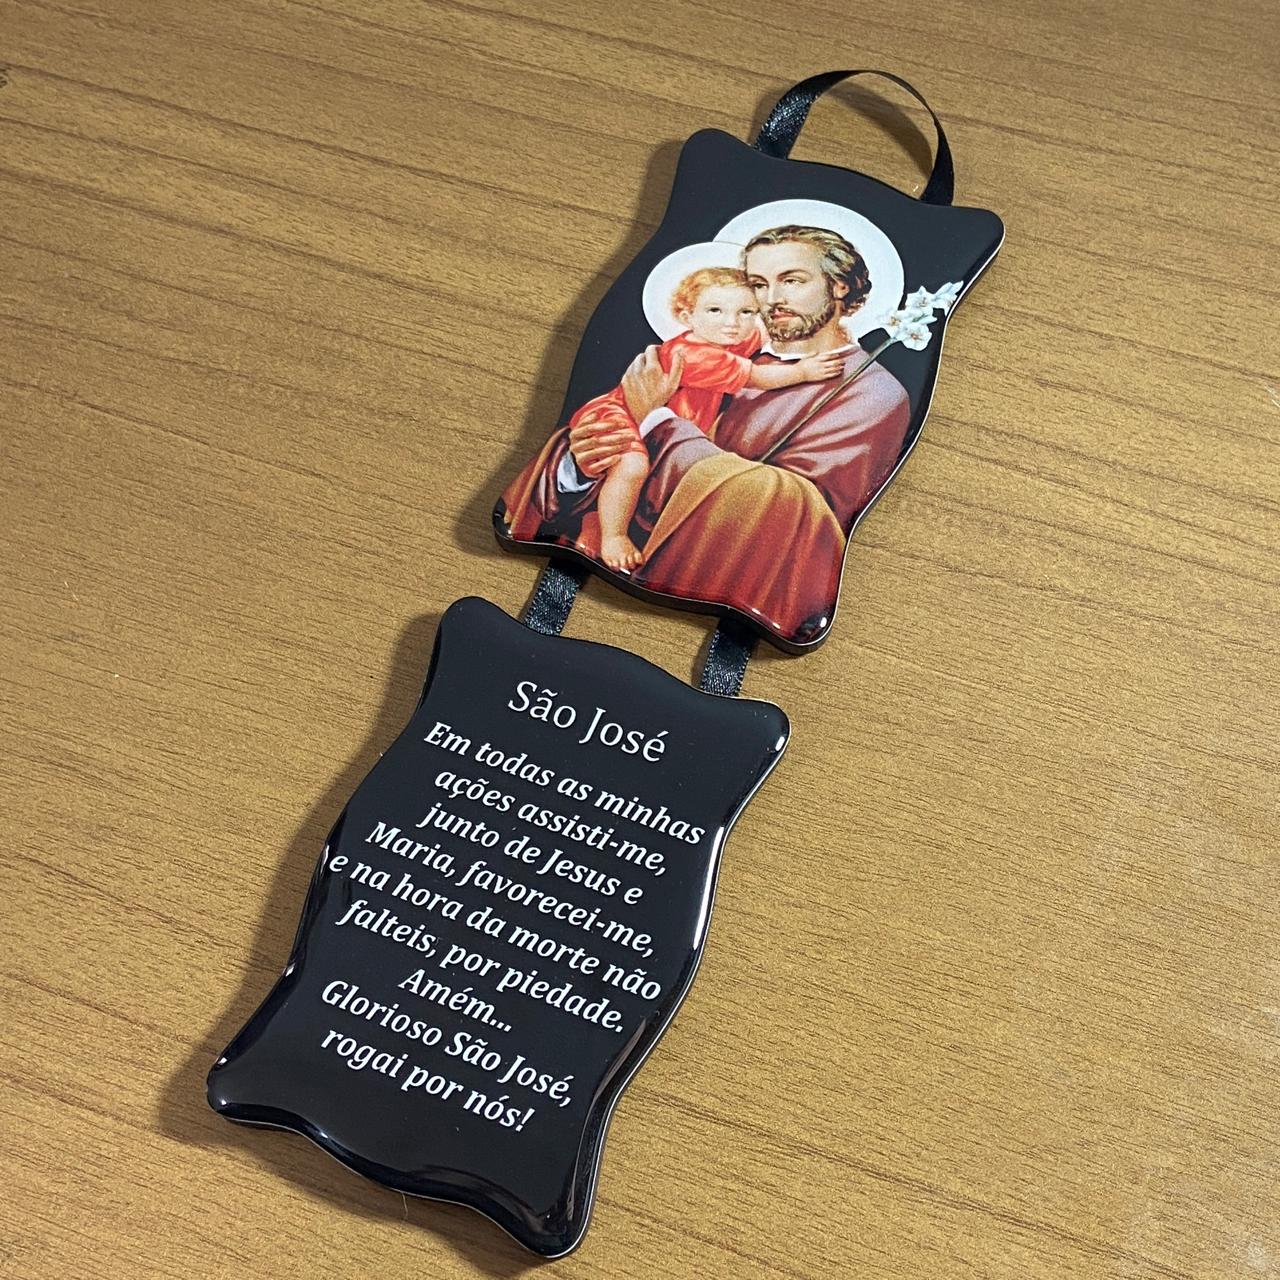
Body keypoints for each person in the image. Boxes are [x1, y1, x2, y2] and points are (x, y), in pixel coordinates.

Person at [498, 224, 913, 644]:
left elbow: (795, 512)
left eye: (791, 280)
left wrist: (654, 419)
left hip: (707, 607)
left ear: (840, 286)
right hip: (583, 571)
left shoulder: (870, 393)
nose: (772, 298)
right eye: (758, 284)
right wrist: (580, 467)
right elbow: (585, 444)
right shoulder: (731, 353)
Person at [535, 267, 846, 572]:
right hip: (615, 414)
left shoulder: (722, 339)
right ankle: (614, 537)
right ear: (687, 317)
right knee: (632, 466)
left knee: (631, 472)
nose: (732, 322)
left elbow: (759, 333)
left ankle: (600, 524)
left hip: (651, 427)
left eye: (745, 312)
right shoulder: (695, 354)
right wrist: (803, 371)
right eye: (715, 310)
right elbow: (757, 376)